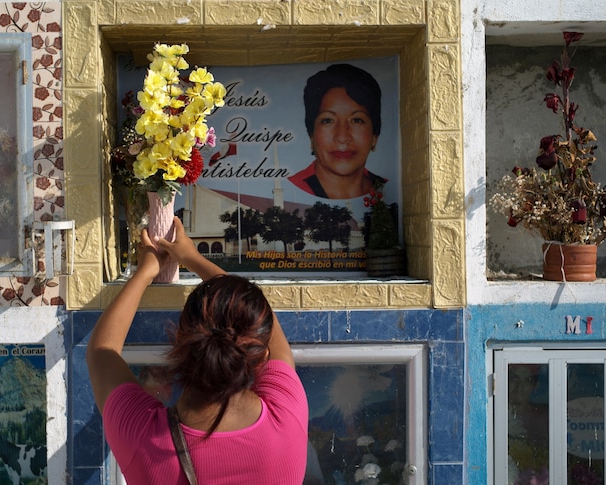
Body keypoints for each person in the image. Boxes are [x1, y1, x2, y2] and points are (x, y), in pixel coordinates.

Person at [86, 217, 309, 484]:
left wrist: (146, 271)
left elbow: (102, 350)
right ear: (260, 354)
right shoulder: (286, 419)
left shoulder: (142, 435)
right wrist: (193, 258)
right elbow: (101, 351)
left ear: (181, 338)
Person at [288, 63, 387, 199]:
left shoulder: (387, 189)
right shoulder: (289, 190)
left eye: (357, 120)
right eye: (328, 120)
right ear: (311, 136)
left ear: (374, 136)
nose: (342, 137)